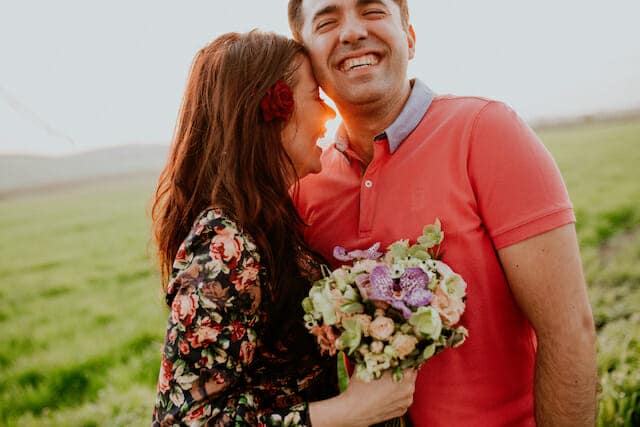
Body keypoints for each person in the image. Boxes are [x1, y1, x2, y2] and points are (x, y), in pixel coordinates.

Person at [287, 1, 598, 426]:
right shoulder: (305, 184)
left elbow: (567, 333)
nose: (352, 32)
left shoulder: (487, 131)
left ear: (410, 39)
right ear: (304, 56)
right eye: (327, 21)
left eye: (373, 11)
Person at [150, 30, 416, 427]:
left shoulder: (265, 221)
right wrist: (351, 411)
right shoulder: (226, 244)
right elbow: (186, 421)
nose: (328, 113)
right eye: (314, 96)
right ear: (271, 110)